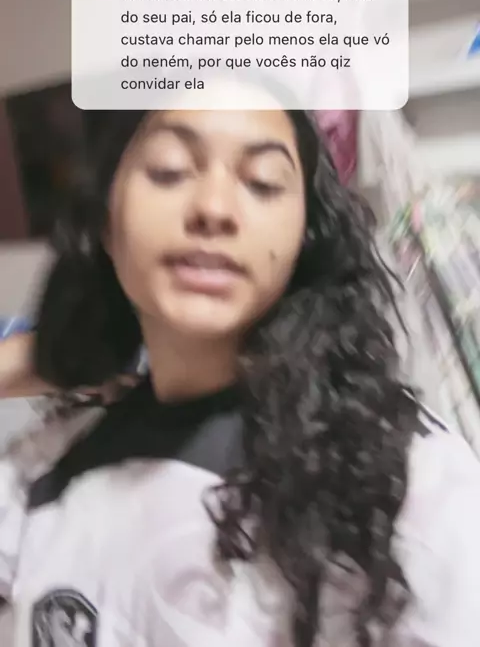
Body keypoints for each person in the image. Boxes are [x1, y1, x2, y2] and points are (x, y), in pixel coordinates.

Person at [0, 76, 479, 647]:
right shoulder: (43, 469)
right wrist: (45, 355)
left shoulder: (412, 480)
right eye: (170, 171)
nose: (214, 208)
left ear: (304, 235)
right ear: (106, 218)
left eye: (262, 183)